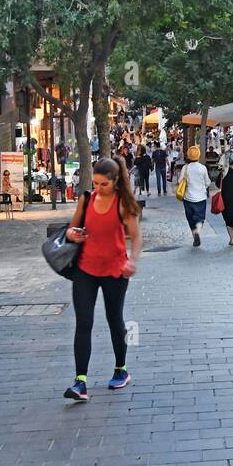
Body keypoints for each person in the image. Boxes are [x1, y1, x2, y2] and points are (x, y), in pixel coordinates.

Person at [62, 156, 142, 401]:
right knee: (83, 322)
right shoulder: (87, 199)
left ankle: (121, 368)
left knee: (114, 319)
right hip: (85, 269)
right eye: (95, 183)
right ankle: (80, 381)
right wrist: (73, 234)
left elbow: (137, 238)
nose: (98, 189)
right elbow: (71, 228)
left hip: (115, 271)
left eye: (103, 185)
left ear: (116, 182)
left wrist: (133, 261)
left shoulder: (122, 204)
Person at [180, 145, 213, 247]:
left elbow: (180, 181)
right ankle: (198, 231)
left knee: (190, 218)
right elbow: (207, 182)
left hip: (188, 198)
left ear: (188, 156)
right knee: (200, 218)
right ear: (198, 155)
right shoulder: (202, 168)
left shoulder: (185, 168)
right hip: (201, 198)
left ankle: (194, 235)